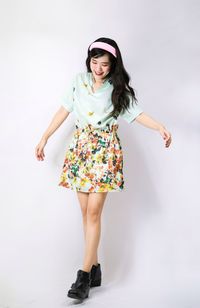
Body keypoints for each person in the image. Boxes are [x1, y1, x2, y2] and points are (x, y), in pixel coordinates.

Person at [35, 37, 172, 301]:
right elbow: (63, 111)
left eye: (104, 64)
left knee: (95, 213)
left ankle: (83, 275)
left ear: (113, 66)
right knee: (86, 213)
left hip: (104, 152)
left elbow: (137, 113)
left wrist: (160, 127)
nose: (98, 68)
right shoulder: (79, 82)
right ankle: (96, 267)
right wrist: (45, 137)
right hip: (80, 149)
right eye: (94, 62)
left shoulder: (117, 89)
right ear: (89, 61)